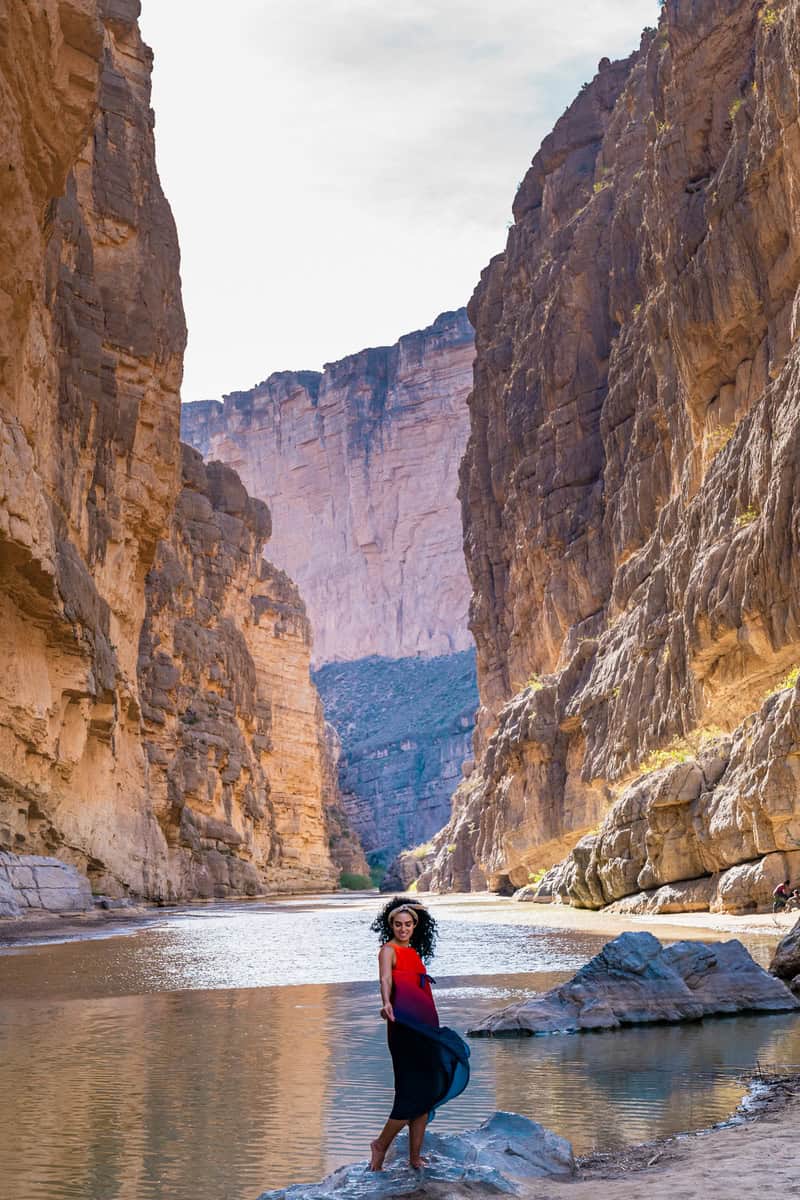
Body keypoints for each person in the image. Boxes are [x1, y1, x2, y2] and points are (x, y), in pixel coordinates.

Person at [368, 896, 470, 1171]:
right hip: (404, 1024)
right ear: (391, 926)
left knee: (429, 1086)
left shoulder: (413, 952)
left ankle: (415, 1157)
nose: (403, 929)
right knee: (412, 1088)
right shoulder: (387, 950)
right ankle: (380, 1145)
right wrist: (386, 1002)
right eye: (398, 925)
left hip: (427, 1023)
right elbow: (385, 979)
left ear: (415, 926)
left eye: (408, 924)